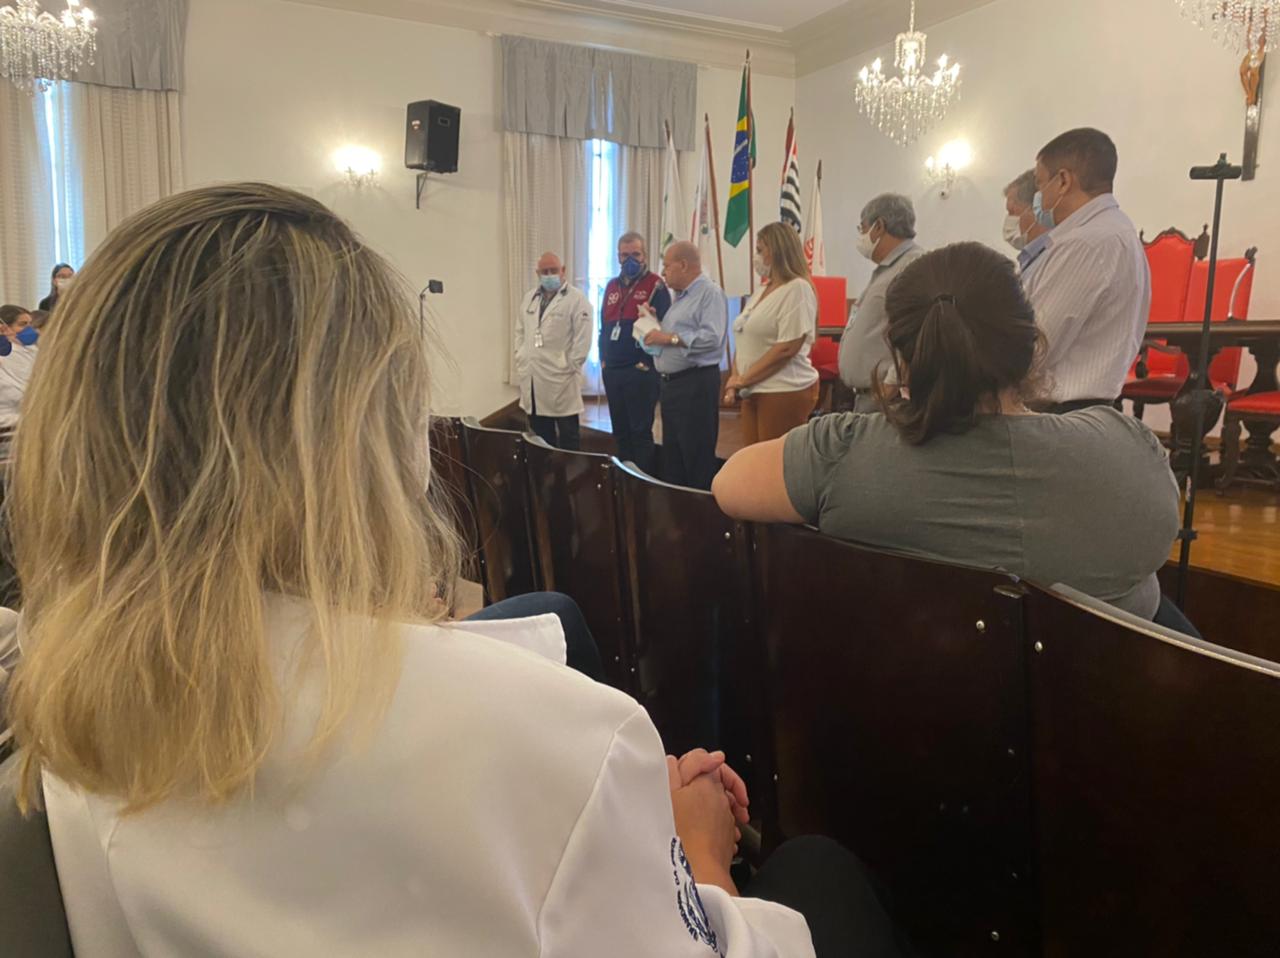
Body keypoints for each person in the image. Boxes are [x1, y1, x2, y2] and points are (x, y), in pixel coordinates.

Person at [6, 182, 905, 958]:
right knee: (816, 870)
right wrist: (699, 857)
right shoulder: (560, 739)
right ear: (368, 442)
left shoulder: (61, 717)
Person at [712, 242, 1180, 620]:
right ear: (1029, 343)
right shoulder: (1127, 451)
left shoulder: (842, 453)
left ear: (902, 359)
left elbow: (728, 484)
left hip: (904, 692)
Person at [1021, 128, 1151, 413]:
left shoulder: (1087, 242)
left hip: (1061, 412)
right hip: (1079, 409)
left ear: (1063, 181)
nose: (1038, 196)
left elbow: (1035, 345)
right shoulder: (1115, 229)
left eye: (1040, 184)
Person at [726, 223, 820, 446]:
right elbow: (743, 333)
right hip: (752, 389)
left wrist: (743, 379)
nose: (755, 257)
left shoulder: (797, 288)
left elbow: (787, 347)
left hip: (783, 389)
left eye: (760, 250)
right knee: (753, 457)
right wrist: (735, 378)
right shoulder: (763, 289)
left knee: (774, 460)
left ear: (777, 251)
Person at [643, 241, 728, 490]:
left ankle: (698, 507)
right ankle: (679, 508)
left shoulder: (709, 293)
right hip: (673, 386)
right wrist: (654, 323)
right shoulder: (681, 299)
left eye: (667, 266)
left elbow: (711, 339)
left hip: (695, 384)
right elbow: (672, 337)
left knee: (696, 456)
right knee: (674, 457)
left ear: (683, 265)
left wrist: (667, 337)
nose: (663, 272)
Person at [837, 194, 927, 412]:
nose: (861, 236)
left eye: (862, 228)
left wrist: (891, 384)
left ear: (879, 226)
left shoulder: (913, 266)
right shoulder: (888, 269)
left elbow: (917, 332)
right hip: (869, 396)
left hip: (886, 398)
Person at [601, 231, 671, 474]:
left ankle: (643, 483)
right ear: (618, 257)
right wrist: (603, 359)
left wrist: (645, 363)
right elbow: (603, 326)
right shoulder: (611, 286)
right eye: (625, 255)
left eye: (636, 254)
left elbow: (665, 327)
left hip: (640, 371)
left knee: (640, 431)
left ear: (645, 256)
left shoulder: (656, 285)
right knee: (620, 431)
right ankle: (624, 480)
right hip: (613, 370)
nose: (630, 260)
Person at [514, 251, 592, 450]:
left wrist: (569, 365)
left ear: (563, 271)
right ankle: (545, 468)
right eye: (545, 271)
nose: (549, 275)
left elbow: (582, 340)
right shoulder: (529, 298)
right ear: (538, 273)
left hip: (562, 379)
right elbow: (520, 331)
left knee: (568, 438)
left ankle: (569, 469)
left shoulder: (577, 299)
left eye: (553, 270)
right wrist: (521, 355)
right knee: (540, 439)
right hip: (533, 378)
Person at [1003, 169, 1049, 275]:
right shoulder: (1032, 260)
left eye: (1012, 212)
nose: (1009, 219)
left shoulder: (1056, 257)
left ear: (1037, 208)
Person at [0, 305, 38, 430]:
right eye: (22, 324)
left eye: (30, 324)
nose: (30, 329)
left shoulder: (33, 350)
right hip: (9, 424)